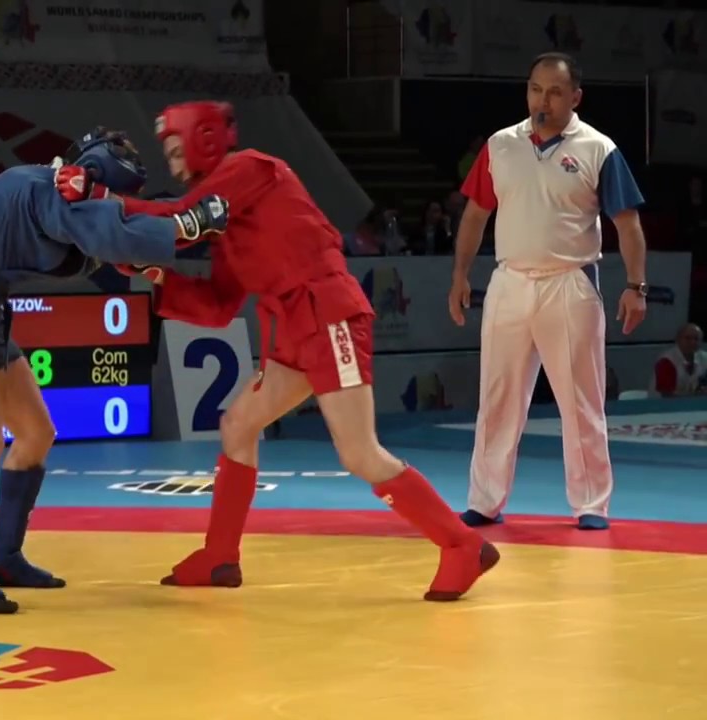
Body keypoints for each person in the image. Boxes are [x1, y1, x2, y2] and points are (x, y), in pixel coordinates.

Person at [56, 102, 499, 602]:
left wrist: (102, 199)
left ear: (203, 140)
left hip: (327, 313)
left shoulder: (250, 169)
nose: (173, 165)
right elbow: (218, 306)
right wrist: (153, 273)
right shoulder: (225, 224)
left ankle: (462, 544)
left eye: (177, 151)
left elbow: (179, 218)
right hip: (291, 326)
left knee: (358, 452)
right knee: (239, 425)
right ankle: (219, 555)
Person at [0, 128, 229, 615]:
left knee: (36, 433)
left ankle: (4, 555)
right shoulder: (45, 188)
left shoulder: (69, 200)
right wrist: (188, 224)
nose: (110, 204)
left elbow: (119, 225)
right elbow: (112, 229)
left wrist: (185, 220)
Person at [448, 52, 648, 531]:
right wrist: (460, 275)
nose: (544, 100)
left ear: (575, 97)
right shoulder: (500, 145)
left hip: (570, 281)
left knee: (581, 400)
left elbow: (628, 224)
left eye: (555, 92)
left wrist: (636, 286)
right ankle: (485, 499)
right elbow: (475, 214)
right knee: (498, 397)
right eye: (536, 89)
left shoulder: (599, 148)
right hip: (510, 281)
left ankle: (591, 503)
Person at [651, 323, 706, 397]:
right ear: (678, 339)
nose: (692, 342)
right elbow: (667, 395)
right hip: (662, 403)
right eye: (688, 338)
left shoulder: (705, 358)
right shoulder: (666, 361)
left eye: (696, 339)